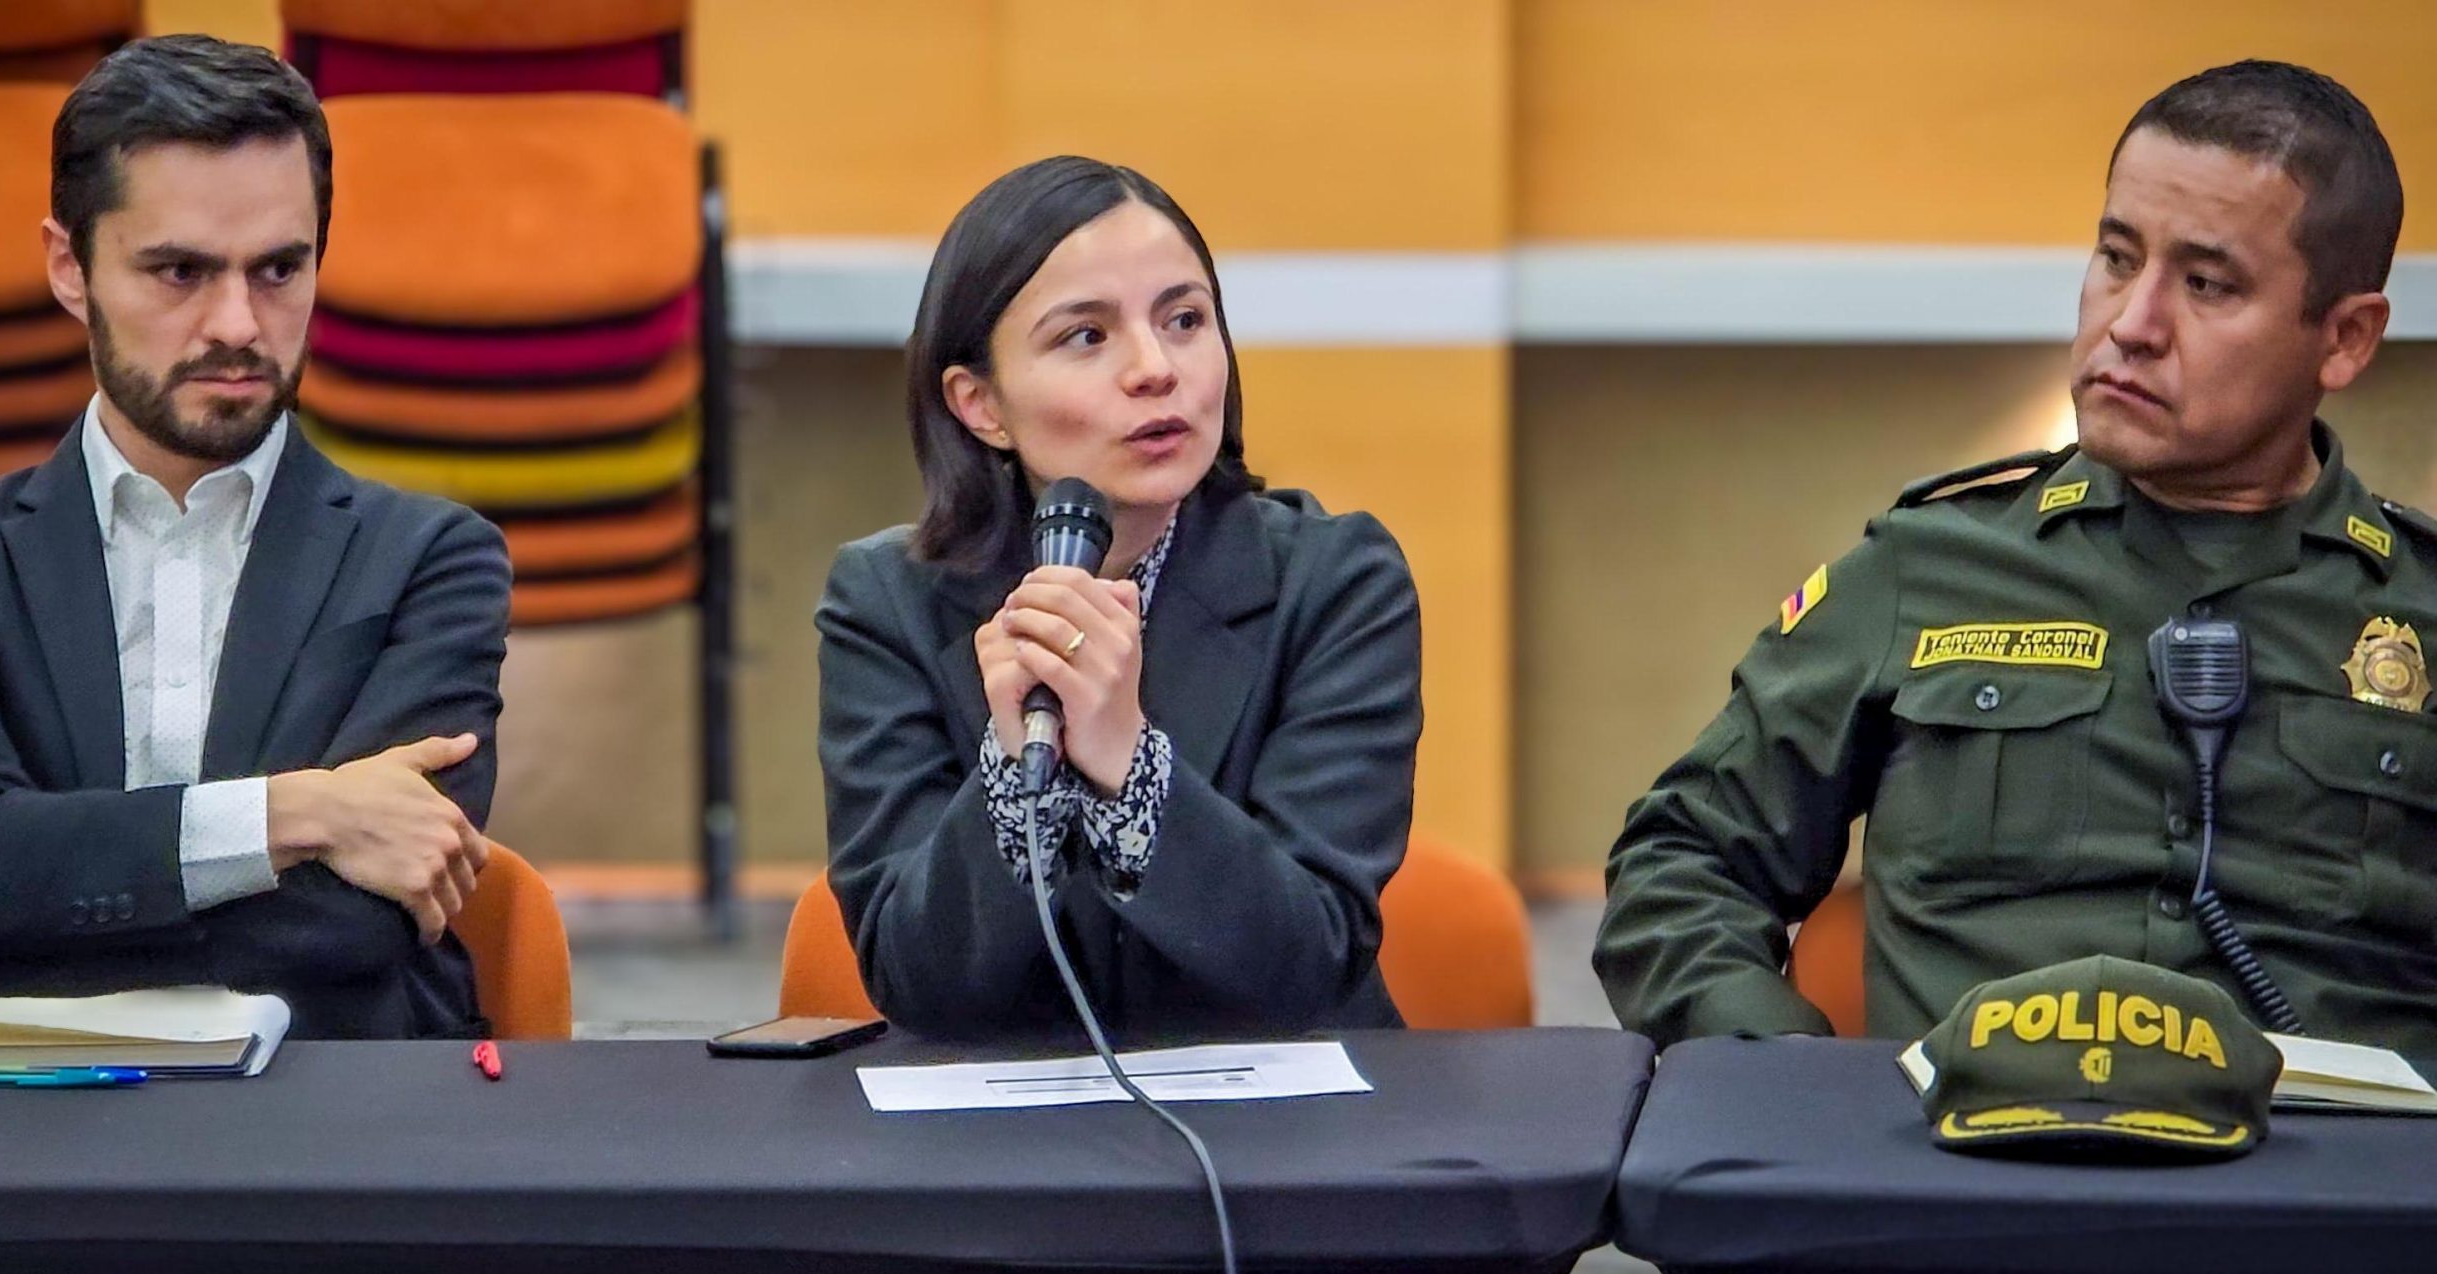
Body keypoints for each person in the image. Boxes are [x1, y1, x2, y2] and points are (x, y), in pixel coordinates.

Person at [1596, 60, 2437, 1056]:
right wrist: (1791, 1077)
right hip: (1976, 1146)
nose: (2131, 324)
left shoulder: (2418, 608)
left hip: (2326, 1153)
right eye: (2116, 258)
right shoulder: (1928, 566)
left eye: (2206, 284)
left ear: (2343, 340)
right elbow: (1681, 862)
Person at [0, 35, 508, 1038]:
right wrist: (296, 814)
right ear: (70, 267)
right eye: (180, 271)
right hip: (4, 1101)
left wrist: (35, 895)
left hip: (328, 1093)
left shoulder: (431, 560)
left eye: (279, 269)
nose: (238, 325)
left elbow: (360, 921)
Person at [815, 156, 1422, 1039]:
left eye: (1184, 320)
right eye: (1087, 336)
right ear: (980, 404)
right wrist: (1016, 770)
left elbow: (1311, 958)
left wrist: (1129, 761)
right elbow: (916, 980)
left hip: (1286, 1102)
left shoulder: (1336, 580)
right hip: (1006, 1107)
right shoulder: (886, 603)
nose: (1154, 368)